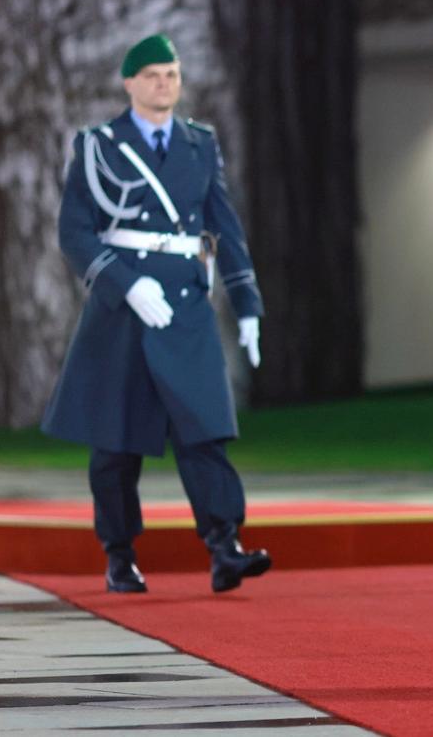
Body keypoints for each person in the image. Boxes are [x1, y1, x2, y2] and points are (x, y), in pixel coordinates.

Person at [40, 34, 271, 595]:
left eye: (170, 73)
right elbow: (74, 232)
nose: (163, 83)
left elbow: (224, 224)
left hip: (186, 307)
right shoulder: (98, 145)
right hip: (124, 310)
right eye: (152, 75)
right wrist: (125, 283)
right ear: (129, 84)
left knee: (205, 433)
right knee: (115, 445)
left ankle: (224, 547)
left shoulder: (199, 144)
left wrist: (247, 304)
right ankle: (119, 555)